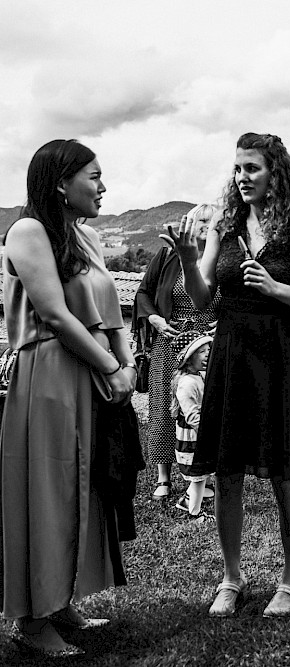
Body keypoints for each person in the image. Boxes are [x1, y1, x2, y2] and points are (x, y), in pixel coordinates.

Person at [161, 132, 290, 619]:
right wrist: (185, 256)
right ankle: (231, 578)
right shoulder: (225, 220)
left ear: (274, 173)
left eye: (252, 168)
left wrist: (277, 287)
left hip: (280, 353)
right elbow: (200, 300)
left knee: (283, 473)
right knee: (228, 471)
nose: (242, 177)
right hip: (232, 352)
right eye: (238, 168)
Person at [2, 139, 142, 657]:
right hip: (51, 377)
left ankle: (60, 602)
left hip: (95, 377)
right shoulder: (27, 231)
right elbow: (57, 316)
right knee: (48, 490)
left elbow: (112, 314)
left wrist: (127, 365)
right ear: (62, 182)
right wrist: (110, 366)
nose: (103, 187)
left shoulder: (89, 238)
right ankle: (33, 622)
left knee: (84, 485)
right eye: (94, 177)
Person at [133, 203, 220, 500]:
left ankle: (201, 477)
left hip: (206, 346)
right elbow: (143, 293)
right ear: (190, 224)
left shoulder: (221, 259)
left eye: (213, 221)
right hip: (168, 343)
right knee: (164, 409)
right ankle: (163, 477)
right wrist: (155, 319)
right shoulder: (168, 255)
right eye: (202, 220)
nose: (207, 225)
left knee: (201, 410)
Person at [171, 331, 214, 522]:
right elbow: (192, 415)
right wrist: (206, 436)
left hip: (200, 434)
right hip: (193, 437)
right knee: (198, 476)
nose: (207, 354)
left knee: (201, 474)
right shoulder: (187, 383)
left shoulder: (198, 377)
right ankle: (194, 514)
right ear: (189, 359)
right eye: (201, 352)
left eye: (208, 350)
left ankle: (187, 501)